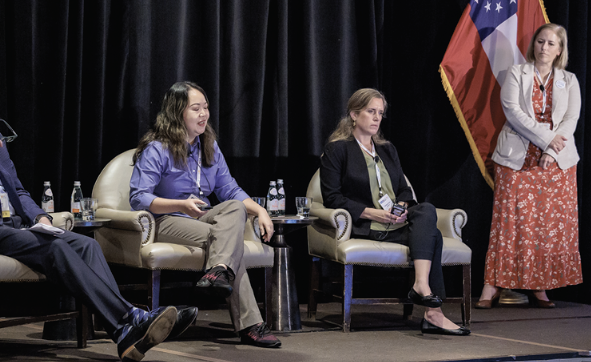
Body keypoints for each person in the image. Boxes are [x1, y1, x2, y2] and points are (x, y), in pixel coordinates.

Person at [0, 70, 199, 362]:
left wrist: (40, 216)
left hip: (18, 226)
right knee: (59, 247)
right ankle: (130, 317)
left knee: (86, 245)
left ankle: (124, 332)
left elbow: (16, 189)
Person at [129, 81, 282, 348]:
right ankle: (250, 325)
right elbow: (139, 197)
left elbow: (229, 189)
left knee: (235, 208)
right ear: (178, 113)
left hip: (201, 216)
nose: (204, 114)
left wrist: (260, 210)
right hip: (167, 220)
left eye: (206, 108)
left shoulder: (208, 146)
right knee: (229, 240)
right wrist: (179, 205)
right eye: (196, 108)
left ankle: (217, 271)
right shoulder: (158, 148)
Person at [319, 88, 470, 336]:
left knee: (426, 210)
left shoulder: (387, 149)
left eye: (380, 113)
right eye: (371, 112)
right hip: (369, 226)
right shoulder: (338, 150)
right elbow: (332, 197)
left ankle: (421, 285)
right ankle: (433, 313)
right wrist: (371, 213)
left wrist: (402, 208)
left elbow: (403, 189)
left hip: (395, 222)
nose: (377, 118)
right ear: (354, 115)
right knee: (433, 237)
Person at [476, 24, 582, 309]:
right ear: (533, 45)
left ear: (560, 50)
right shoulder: (515, 73)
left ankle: (540, 287)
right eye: (540, 41)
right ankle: (492, 286)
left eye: (551, 44)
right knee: (509, 224)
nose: (544, 47)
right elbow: (513, 111)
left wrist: (550, 150)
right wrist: (548, 140)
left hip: (557, 162)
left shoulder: (569, 80)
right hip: (516, 159)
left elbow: (570, 120)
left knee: (546, 228)